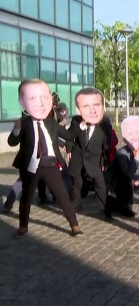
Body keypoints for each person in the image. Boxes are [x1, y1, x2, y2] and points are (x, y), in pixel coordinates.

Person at [8, 79, 82, 238]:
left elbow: (68, 135)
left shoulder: (51, 123)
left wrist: (80, 124)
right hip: (30, 166)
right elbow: (12, 142)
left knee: (62, 195)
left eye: (43, 98)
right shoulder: (24, 123)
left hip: (50, 165)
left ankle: (74, 225)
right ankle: (23, 226)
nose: (39, 103)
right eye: (32, 98)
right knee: (26, 197)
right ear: (23, 102)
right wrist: (15, 129)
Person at [67, 87, 114, 218]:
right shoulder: (76, 121)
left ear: (102, 107)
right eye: (86, 106)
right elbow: (70, 136)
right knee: (77, 184)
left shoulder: (105, 124)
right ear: (78, 110)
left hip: (95, 158)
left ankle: (105, 210)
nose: (92, 110)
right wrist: (69, 149)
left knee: (100, 184)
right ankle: (73, 207)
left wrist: (105, 161)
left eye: (96, 105)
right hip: (78, 157)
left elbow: (107, 144)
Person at [109, 116, 139, 217]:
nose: (135, 137)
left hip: (123, 179)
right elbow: (128, 173)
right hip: (113, 182)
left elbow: (135, 173)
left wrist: (137, 179)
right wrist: (137, 157)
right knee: (127, 181)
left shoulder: (134, 150)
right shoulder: (122, 154)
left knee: (138, 179)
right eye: (130, 134)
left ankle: (125, 204)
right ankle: (123, 206)